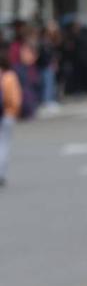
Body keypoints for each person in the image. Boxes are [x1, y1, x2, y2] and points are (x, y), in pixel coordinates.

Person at [0, 47, 23, 187]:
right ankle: (1, 174)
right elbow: (15, 98)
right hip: (7, 113)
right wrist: (15, 110)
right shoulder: (10, 76)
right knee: (4, 145)